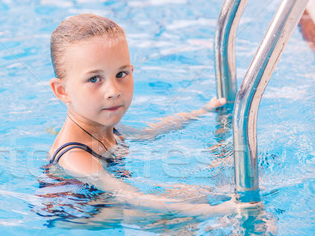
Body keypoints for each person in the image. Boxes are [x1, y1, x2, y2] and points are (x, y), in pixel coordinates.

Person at [45, 13, 247, 218]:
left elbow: (151, 132)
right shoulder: (75, 156)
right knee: (171, 216)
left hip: (104, 203)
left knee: (195, 194)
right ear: (62, 91)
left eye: (121, 74)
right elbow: (130, 196)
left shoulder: (104, 125)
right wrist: (215, 211)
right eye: (95, 78)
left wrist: (201, 112)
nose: (113, 91)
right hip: (78, 219)